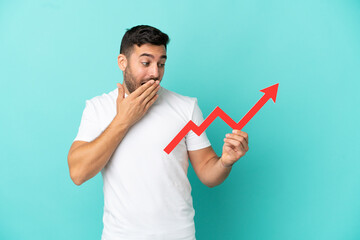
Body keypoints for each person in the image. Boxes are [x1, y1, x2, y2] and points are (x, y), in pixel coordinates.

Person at [67, 25, 249, 240]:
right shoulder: (98, 108)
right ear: (122, 63)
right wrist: (124, 120)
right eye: (146, 63)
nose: (155, 73)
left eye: (161, 63)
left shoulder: (186, 107)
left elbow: (208, 173)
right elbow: (78, 173)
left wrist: (225, 162)